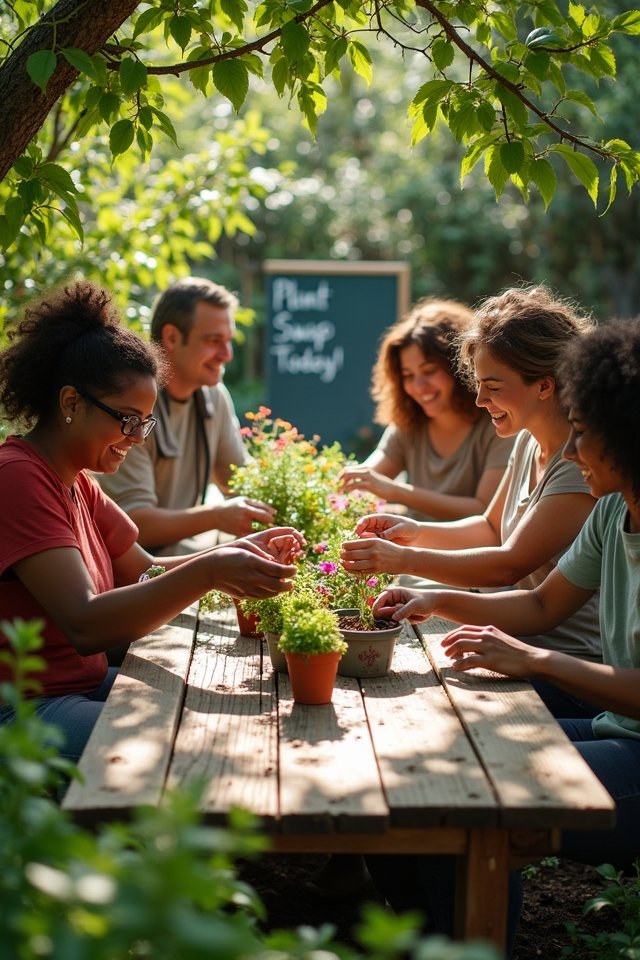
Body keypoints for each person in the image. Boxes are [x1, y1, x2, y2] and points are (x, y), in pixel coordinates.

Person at [368, 317, 640, 954]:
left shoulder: (584, 487)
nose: (572, 454)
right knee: (424, 763)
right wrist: (435, 598)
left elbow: (521, 588)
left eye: (587, 437)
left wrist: (535, 661)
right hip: (614, 728)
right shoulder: (609, 510)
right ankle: (417, 934)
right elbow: (542, 601)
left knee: (461, 803)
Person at [0, 281, 302, 763]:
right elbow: (84, 624)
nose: (137, 438)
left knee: (210, 714)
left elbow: (144, 573)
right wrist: (211, 571)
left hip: (82, 686)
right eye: (127, 420)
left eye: (145, 422)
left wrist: (235, 556)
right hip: (23, 708)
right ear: (71, 403)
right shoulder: (17, 479)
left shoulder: (79, 481)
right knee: (186, 747)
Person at [341, 285, 602, 715]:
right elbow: (489, 526)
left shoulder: (580, 466)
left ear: (544, 386)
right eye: (478, 386)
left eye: (493, 387)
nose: (481, 401)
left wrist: (403, 562)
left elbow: (509, 562)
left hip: (566, 673)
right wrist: (414, 533)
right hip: (509, 651)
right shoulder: (526, 441)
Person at [98, 276, 275, 555]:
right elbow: (132, 524)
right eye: (214, 340)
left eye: (228, 341)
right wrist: (217, 516)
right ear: (171, 337)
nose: (227, 355)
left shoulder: (213, 395)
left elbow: (241, 482)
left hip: (188, 566)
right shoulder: (131, 406)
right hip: (135, 579)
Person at [338, 298, 513, 521]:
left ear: (461, 368)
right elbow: (367, 478)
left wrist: (395, 491)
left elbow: (485, 512)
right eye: (408, 376)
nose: (419, 387)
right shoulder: (408, 423)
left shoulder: (498, 422)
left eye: (429, 371)